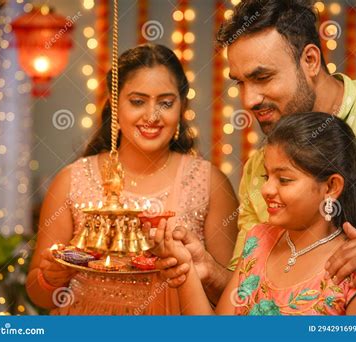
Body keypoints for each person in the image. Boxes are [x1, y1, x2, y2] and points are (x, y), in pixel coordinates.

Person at [157, 0, 356, 315]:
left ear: (311, 60)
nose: (248, 100)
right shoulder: (260, 167)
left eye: (262, 78)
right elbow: (256, 293)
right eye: (240, 83)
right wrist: (204, 271)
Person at [25, 44, 239, 314]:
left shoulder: (210, 183)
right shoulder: (72, 180)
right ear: (115, 104)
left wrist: (203, 272)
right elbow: (38, 294)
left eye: (165, 102)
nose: (152, 116)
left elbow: (233, 298)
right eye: (137, 101)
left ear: (182, 106)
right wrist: (50, 278)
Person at [153, 112, 356, 315]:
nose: (267, 189)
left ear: (331, 187)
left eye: (285, 179)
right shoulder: (260, 241)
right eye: (266, 177)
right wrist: (185, 267)